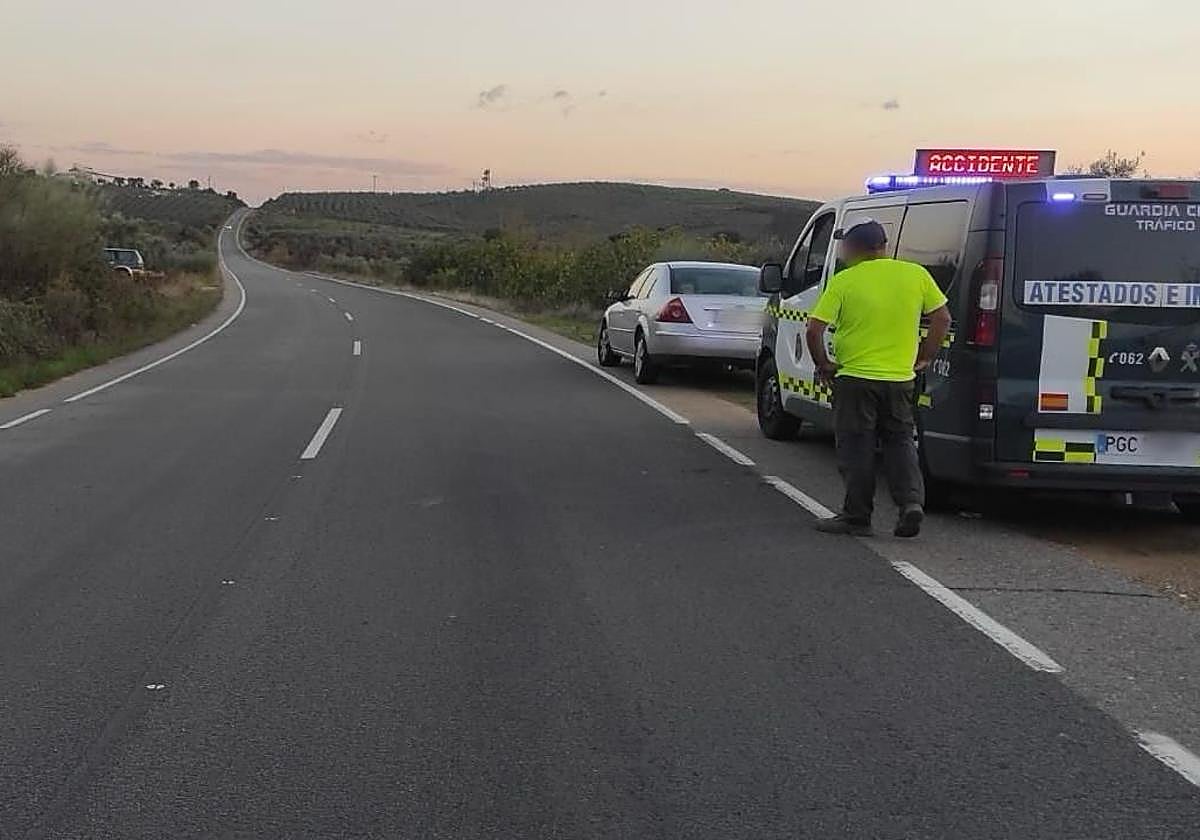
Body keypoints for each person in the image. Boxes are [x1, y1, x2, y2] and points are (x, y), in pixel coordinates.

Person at [804, 219, 951, 538]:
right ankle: (910, 503)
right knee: (900, 442)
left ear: (856, 248)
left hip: (855, 378)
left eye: (846, 248)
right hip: (900, 378)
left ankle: (857, 516)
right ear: (882, 246)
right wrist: (925, 357)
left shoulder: (846, 281)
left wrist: (824, 364)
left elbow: (814, 329)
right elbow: (942, 317)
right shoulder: (916, 275)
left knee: (857, 447)